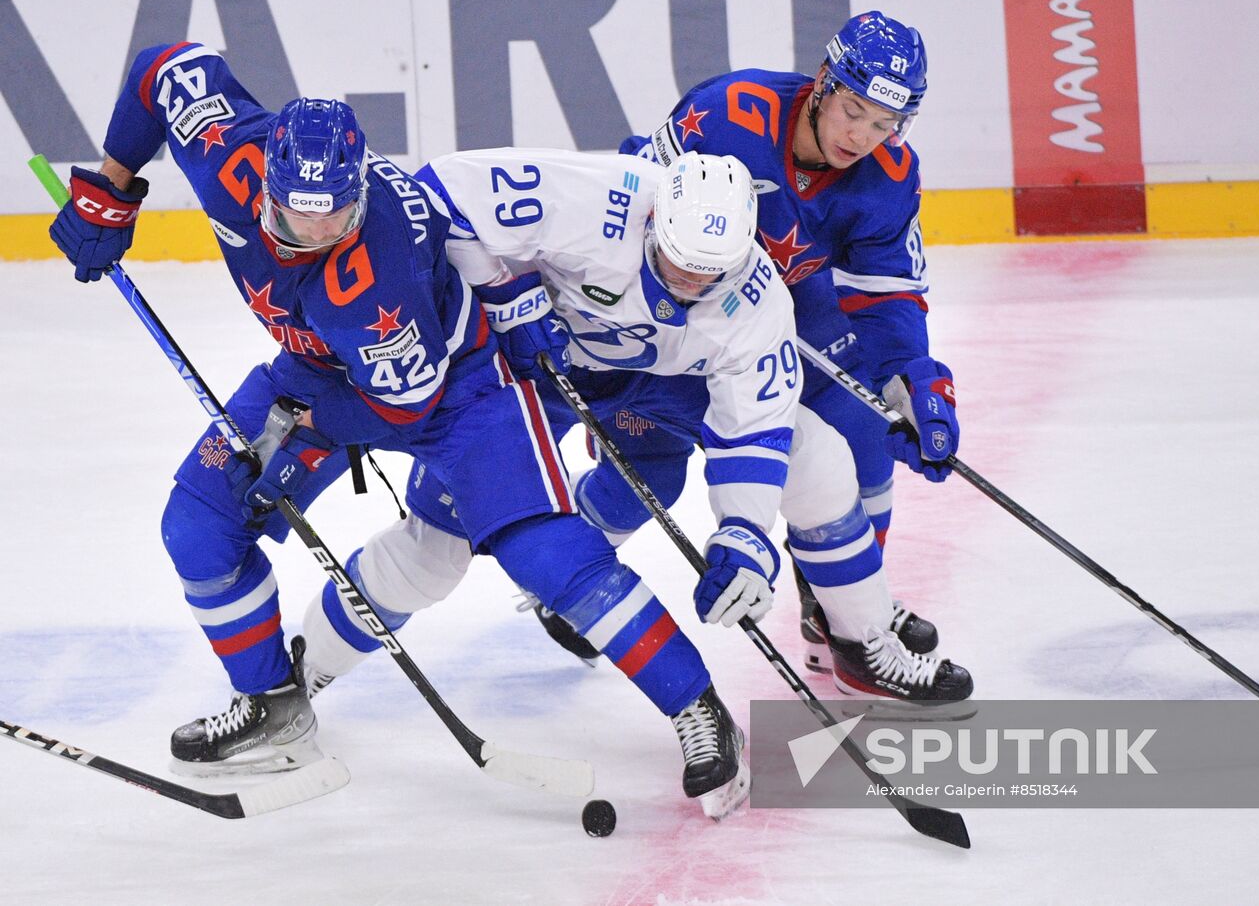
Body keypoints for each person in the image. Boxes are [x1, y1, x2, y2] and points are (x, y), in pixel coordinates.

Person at [46, 42, 748, 818]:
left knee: (543, 553)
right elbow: (163, 69)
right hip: (319, 372)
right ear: (266, 180)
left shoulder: (374, 276)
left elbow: (403, 406)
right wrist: (110, 189)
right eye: (294, 214)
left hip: (459, 392)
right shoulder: (231, 155)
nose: (311, 233)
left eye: (334, 216)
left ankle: (697, 707)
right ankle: (273, 706)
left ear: (358, 195)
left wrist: (299, 422)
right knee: (199, 524)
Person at [302, 145, 970, 704]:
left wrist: (743, 537)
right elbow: (439, 190)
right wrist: (504, 292)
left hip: (657, 380)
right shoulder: (594, 198)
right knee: (433, 552)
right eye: (676, 257)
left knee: (816, 457)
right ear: (653, 219)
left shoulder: (757, 302)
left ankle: (860, 642)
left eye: (710, 271)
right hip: (519, 365)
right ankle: (304, 674)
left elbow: (756, 428)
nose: (686, 281)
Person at [618, 11, 964, 687]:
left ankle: (841, 618)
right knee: (648, 465)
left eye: (883, 125)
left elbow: (887, 293)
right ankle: (569, 580)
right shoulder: (727, 114)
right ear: (824, 84)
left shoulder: (889, 174)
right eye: (853, 111)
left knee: (866, 424)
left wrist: (911, 377)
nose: (861, 138)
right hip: (676, 303)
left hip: (793, 302)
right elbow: (633, 208)